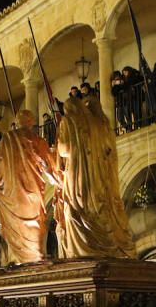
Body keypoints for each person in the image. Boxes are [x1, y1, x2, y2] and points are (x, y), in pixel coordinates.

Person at [54, 97, 136, 259]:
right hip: (99, 175)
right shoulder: (100, 125)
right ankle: (105, 243)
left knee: (76, 208)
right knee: (97, 207)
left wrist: (57, 147)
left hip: (78, 174)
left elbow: (65, 149)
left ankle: (84, 249)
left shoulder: (69, 122)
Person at [0, 109, 57, 264]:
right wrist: (56, 180)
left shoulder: (7, 139)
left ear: (17, 122)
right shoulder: (37, 140)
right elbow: (48, 166)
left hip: (13, 193)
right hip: (33, 191)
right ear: (31, 122)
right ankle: (35, 257)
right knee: (34, 223)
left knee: (16, 226)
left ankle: (19, 259)